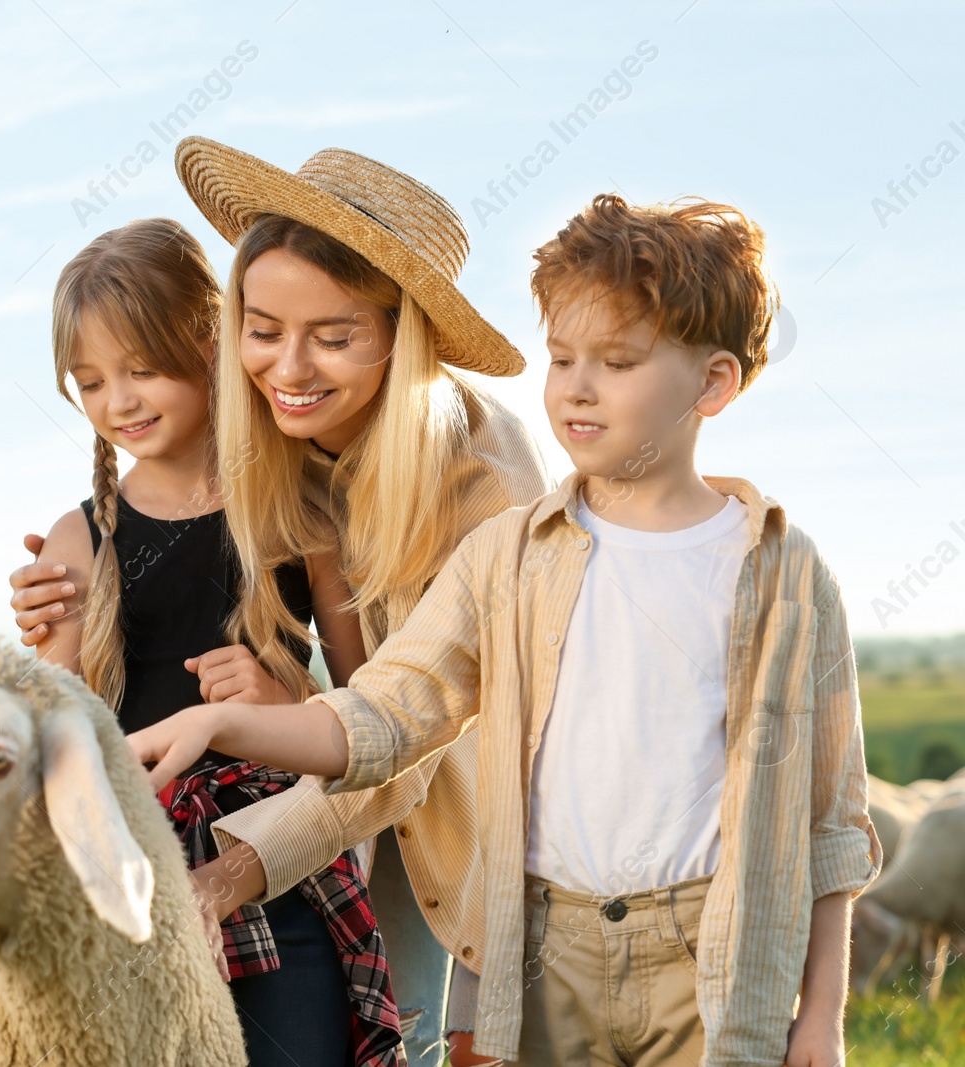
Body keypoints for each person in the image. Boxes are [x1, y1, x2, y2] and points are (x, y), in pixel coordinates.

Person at [126, 193, 883, 1067]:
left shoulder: (773, 571)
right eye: (562, 358)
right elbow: (388, 708)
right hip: (539, 928)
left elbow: (831, 817)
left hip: (619, 908)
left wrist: (820, 1014)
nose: (578, 387)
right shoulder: (477, 541)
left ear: (713, 383)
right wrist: (97, 587)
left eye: (618, 360)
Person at [13, 138, 551, 1065]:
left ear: (401, 338)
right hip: (282, 784)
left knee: (403, 1022)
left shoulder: (480, 491)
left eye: (334, 338)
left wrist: (244, 828)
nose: (288, 369)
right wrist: (74, 597)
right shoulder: (259, 430)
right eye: (262, 330)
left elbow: (408, 730)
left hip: (430, 808)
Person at [24, 216, 402, 1067]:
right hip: (131, 867)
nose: (118, 400)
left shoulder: (303, 510)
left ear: (209, 342)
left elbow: (378, 706)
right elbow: (61, 733)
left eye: (141, 368)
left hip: (275, 862)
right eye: (90, 382)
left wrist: (283, 704)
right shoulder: (77, 540)